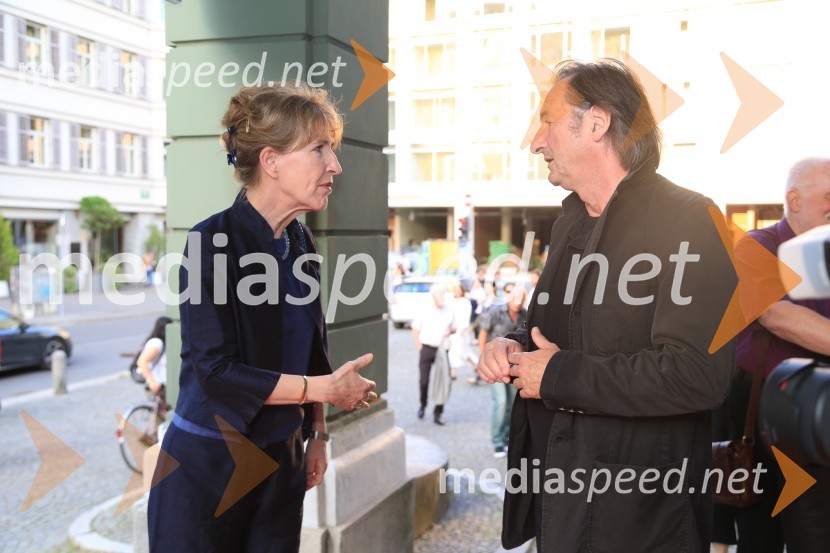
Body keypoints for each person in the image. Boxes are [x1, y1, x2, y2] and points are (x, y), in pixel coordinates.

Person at [478, 59, 736, 552]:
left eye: (548, 120)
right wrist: (509, 348)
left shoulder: (690, 220)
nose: (535, 141)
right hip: (561, 511)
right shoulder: (569, 224)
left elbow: (698, 375)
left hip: (641, 523)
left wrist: (554, 376)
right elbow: (544, 333)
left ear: (596, 124)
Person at [148, 84, 378, 553]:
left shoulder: (300, 242)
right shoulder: (208, 242)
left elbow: (313, 348)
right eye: (319, 150)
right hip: (207, 469)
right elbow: (216, 372)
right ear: (271, 161)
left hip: (282, 463)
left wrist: (317, 432)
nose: (334, 165)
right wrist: (325, 392)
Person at [718, 157, 830, 553]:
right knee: (760, 537)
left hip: (818, 415)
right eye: (829, 196)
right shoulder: (757, 245)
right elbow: (777, 316)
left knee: (814, 535)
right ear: (794, 200)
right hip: (764, 411)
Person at [478, 283, 526, 458]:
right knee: (500, 402)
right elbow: (483, 335)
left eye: (522, 297)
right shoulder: (495, 311)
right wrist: (482, 359)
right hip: (497, 367)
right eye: (515, 296)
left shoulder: (525, 314)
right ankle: (498, 441)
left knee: (512, 404)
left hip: (514, 368)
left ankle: (507, 437)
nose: (518, 301)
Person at [411, 284, 456, 425]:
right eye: (438, 295)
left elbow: (454, 327)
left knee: (443, 380)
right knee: (424, 381)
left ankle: (438, 412)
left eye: (443, 295)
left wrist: (451, 330)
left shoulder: (448, 310)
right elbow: (415, 329)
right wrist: (419, 347)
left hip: (442, 349)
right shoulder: (424, 310)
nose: (441, 298)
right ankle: (423, 404)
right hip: (426, 348)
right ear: (433, 296)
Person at [136, 316, 172, 394]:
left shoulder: (160, 342)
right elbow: (141, 362)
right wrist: (152, 381)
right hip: (157, 385)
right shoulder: (156, 343)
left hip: (161, 384)